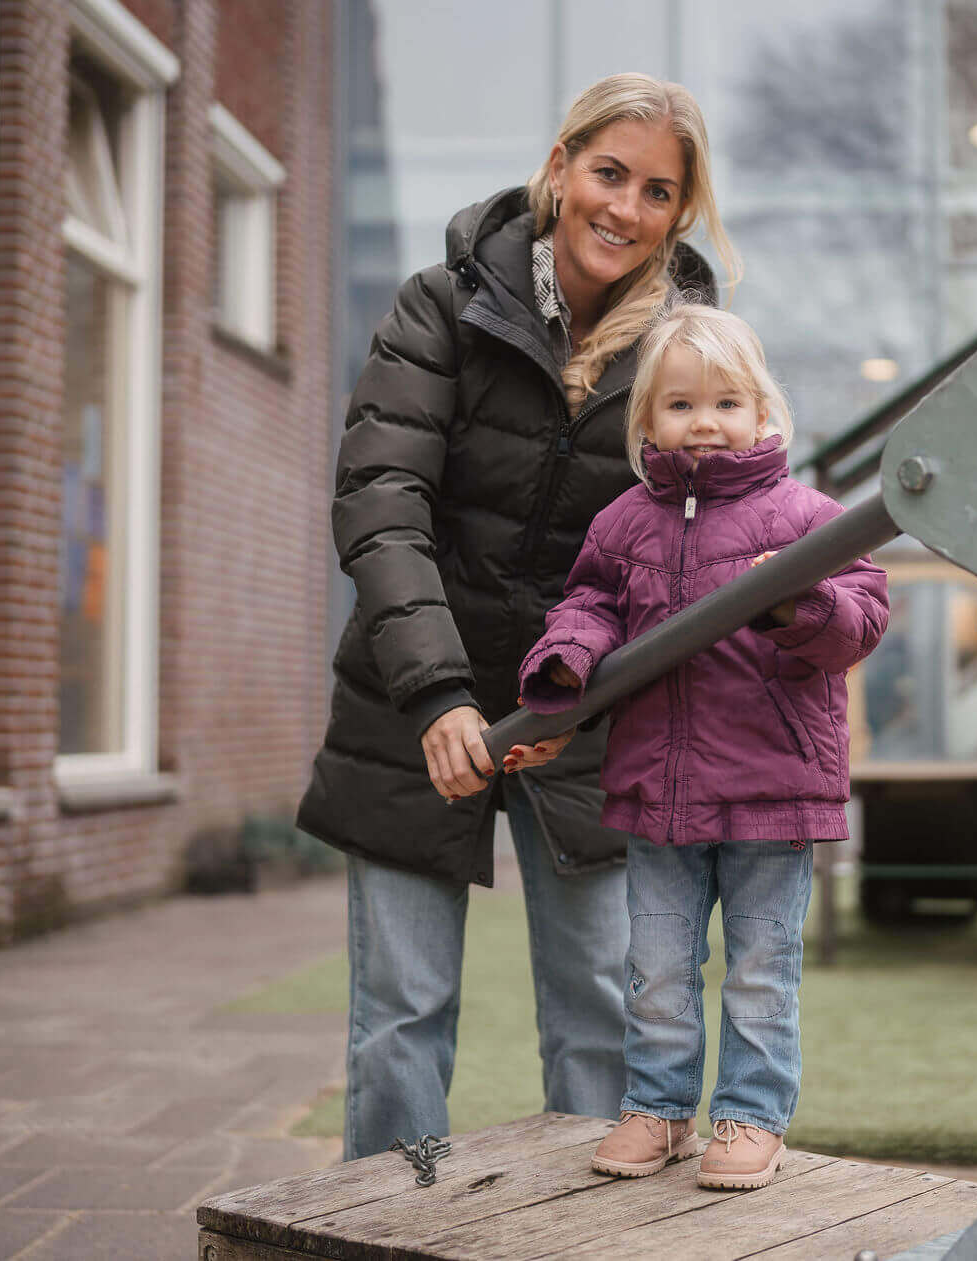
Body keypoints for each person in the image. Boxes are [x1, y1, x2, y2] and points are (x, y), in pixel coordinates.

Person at [296, 74, 741, 1159]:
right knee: (401, 1018)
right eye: (608, 173)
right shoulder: (439, 308)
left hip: (585, 716)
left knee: (599, 1011)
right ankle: (383, 1227)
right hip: (410, 703)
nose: (623, 207)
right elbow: (382, 504)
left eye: (656, 191)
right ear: (558, 168)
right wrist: (438, 696)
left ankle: (584, 1229)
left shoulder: (685, 355)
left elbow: (682, 549)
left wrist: (579, 697)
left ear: (677, 212)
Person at [510, 305, 889, 1190]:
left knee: (760, 967)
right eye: (681, 405)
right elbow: (590, 605)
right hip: (661, 791)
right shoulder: (623, 523)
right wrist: (567, 656)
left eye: (725, 402)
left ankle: (751, 1116)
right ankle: (659, 1107)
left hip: (771, 787)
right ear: (647, 420)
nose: (705, 422)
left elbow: (862, 617)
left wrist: (798, 602)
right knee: (655, 966)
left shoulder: (807, 519)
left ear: (763, 412)